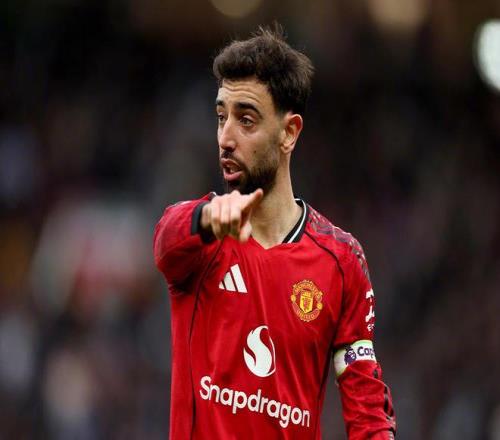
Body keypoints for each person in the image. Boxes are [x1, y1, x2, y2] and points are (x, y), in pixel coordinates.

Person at [154, 25, 396, 439]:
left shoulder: (341, 261)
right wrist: (208, 220)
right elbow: (166, 242)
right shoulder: (199, 237)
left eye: (245, 120)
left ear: (289, 132)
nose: (225, 138)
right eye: (221, 117)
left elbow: (367, 409)